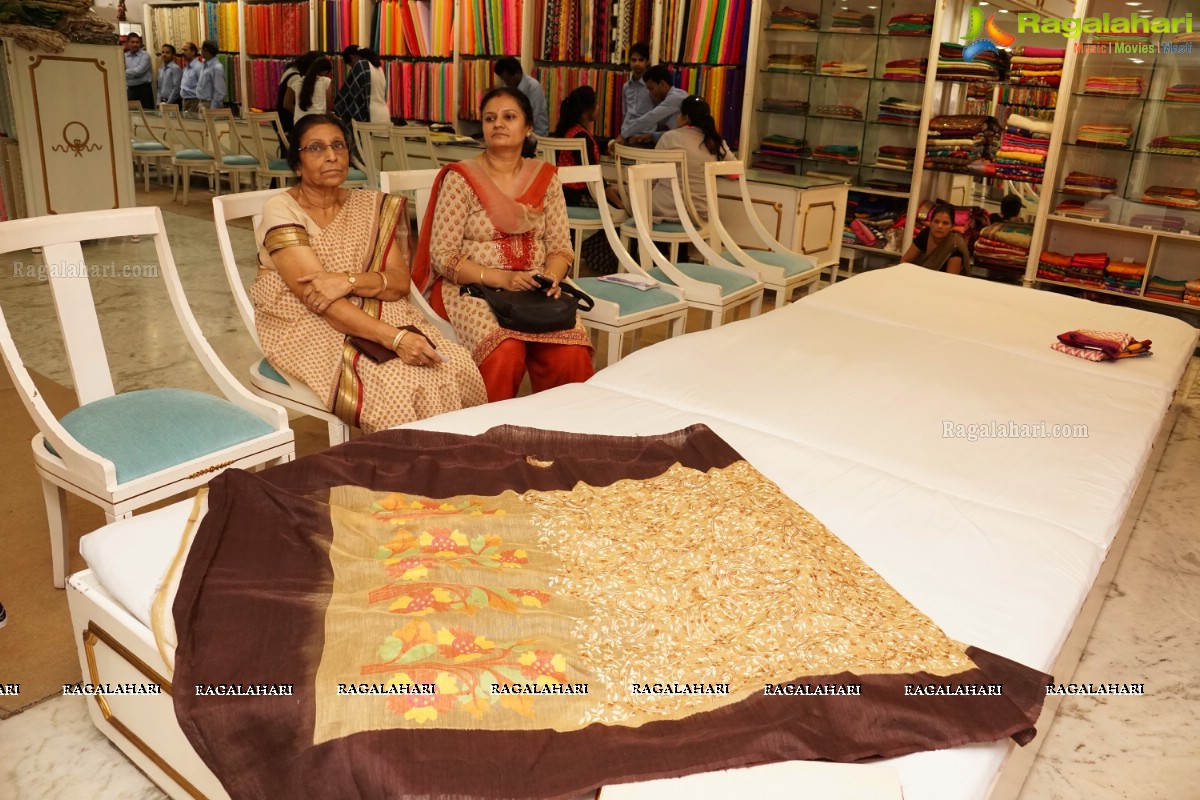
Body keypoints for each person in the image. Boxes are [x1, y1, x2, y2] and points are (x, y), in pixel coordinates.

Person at [252, 114, 485, 433]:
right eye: (316, 148)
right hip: (304, 324)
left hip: (377, 312)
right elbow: (320, 301)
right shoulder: (282, 209)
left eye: (338, 145)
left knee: (452, 363)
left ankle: (449, 465)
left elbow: (399, 283)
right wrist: (397, 338)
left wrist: (346, 281)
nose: (332, 156)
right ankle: (398, 476)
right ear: (297, 164)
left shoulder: (369, 206)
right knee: (395, 379)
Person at [415, 87, 594, 402]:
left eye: (509, 117)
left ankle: (562, 436)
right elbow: (442, 256)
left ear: (527, 128)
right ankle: (492, 440)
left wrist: (552, 276)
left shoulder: (546, 178)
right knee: (505, 351)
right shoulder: (462, 178)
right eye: (490, 118)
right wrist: (502, 279)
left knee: (572, 354)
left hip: (535, 290)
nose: (498, 123)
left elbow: (561, 247)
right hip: (473, 290)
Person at [650, 95, 736, 224]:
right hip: (701, 213)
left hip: (665, 210)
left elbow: (651, 175)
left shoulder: (670, 137)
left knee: (633, 203)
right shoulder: (715, 141)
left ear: (686, 118)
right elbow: (735, 172)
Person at [554, 86, 621, 208]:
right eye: (596, 105)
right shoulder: (581, 138)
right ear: (586, 111)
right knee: (623, 204)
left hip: (565, 193)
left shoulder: (569, 131)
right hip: (579, 197)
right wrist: (618, 202)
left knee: (620, 194)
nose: (598, 108)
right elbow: (594, 176)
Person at [613, 65, 687, 147]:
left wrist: (623, 134)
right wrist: (652, 136)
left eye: (651, 88)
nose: (650, 94)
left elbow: (650, 118)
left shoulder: (676, 97)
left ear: (662, 84)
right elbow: (677, 132)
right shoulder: (670, 99)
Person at [901, 203, 970, 274]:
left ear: (952, 227)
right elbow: (904, 262)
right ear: (930, 223)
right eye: (936, 221)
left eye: (945, 223)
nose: (940, 226)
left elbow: (950, 280)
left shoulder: (955, 246)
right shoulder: (925, 234)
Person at [492, 57, 548, 137]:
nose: (506, 83)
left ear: (518, 73)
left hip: (535, 134)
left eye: (508, 79)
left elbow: (532, 116)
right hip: (514, 131)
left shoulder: (533, 87)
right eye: (504, 80)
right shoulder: (507, 86)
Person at [276, 50, 321, 135]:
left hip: (284, 120)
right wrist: (303, 115)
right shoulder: (295, 78)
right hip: (288, 122)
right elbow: (287, 104)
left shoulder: (291, 71)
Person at [285, 57, 333, 125]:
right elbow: (328, 107)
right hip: (318, 123)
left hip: (299, 123)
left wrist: (299, 113)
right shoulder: (325, 81)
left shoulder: (296, 82)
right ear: (324, 72)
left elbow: (286, 104)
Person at [620, 42, 652, 132]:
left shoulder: (652, 87)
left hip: (645, 136)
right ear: (629, 62)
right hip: (627, 133)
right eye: (633, 60)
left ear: (647, 61)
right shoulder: (626, 87)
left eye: (641, 60)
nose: (637, 63)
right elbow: (625, 113)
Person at [125, 33, 153, 109]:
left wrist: (124, 73)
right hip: (130, 89)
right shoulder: (124, 56)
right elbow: (119, 70)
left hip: (143, 89)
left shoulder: (145, 55)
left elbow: (139, 71)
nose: (135, 44)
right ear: (127, 43)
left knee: (146, 114)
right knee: (131, 114)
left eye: (137, 42)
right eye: (132, 42)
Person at [196, 41, 225, 110]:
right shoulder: (205, 64)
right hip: (203, 103)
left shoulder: (216, 67)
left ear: (206, 50)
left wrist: (212, 110)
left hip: (210, 105)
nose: (200, 52)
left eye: (201, 49)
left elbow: (219, 92)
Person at [179, 41, 202, 112]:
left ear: (193, 52)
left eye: (185, 50)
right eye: (182, 50)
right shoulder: (186, 67)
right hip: (185, 101)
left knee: (193, 122)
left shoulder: (198, 67)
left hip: (194, 101)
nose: (182, 52)